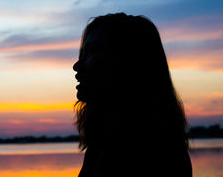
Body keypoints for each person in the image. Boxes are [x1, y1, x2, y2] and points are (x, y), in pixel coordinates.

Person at [73, 13, 192, 177]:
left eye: (92, 51)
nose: (77, 65)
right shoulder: (103, 145)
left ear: (129, 61)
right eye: (83, 53)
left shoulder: (148, 151)